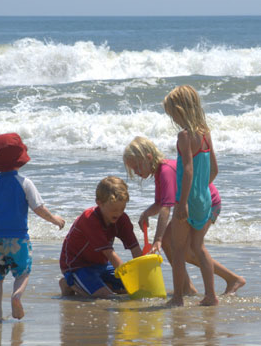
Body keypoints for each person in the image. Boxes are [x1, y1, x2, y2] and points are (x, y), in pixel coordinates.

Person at [123, 136, 245, 297]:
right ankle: (187, 287)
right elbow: (160, 203)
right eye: (133, 170)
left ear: (148, 158)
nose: (137, 173)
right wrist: (146, 213)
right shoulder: (160, 171)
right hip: (188, 206)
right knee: (171, 243)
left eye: (137, 167)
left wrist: (157, 239)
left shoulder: (166, 171)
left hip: (207, 204)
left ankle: (232, 279)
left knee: (190, 249)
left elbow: (166, 209)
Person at [0, 133, 65, 322]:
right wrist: (55, 220)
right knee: (23, 272)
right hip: (19, 239)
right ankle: (17, 295)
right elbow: (39, 209)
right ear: (19, 159)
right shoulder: (25, 183)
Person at [161, 84, 222, 306]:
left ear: (180, 110)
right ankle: (211, 295)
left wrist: (183, 201)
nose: (173, 119)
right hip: (204, 198)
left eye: (173, 114)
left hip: (186, 200)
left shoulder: (184, 136)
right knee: (198, 247)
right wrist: (199, 190)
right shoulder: (206, 133)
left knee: (178, 251)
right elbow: (214, 169)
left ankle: (177, 298)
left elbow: (187, 169)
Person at [59, 176, 142, 298]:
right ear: (99, 203)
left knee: (133, 289)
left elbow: (135, 249)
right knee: (106, 298)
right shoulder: (89, 219)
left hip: (101, 264)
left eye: (122, 209)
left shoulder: (122, 219)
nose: (119, 213)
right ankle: (68, 282)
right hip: (77, 265)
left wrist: (142, 279)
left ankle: (102, 283)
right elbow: (110, 254)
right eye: (114, 209)